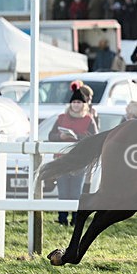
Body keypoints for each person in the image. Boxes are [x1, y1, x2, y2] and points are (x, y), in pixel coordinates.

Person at [48, 87, 98, 226]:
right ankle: (62, 219)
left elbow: (94, 137)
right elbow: (51, 135)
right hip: (62, 160)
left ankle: (76, 220)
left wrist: (78, 137)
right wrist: (60, 136)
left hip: (79, 161)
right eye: (74, 102)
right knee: (63, 191)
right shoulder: (61, 118)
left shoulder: (88, 119)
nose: (76, 104)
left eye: (79, 102)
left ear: (84, 104)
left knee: (76, 192)